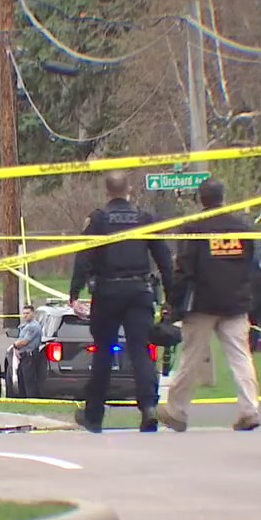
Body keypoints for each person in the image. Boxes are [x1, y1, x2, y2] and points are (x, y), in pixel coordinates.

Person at [69, 171, 175, 433]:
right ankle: (149, 407)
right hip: (139, 292)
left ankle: (94, 416)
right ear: (129, 190)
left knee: (104, 351)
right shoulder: (144, 218)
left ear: (107, 192)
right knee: (140, 350)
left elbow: (83, 257)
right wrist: (172, 298)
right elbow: (164, 259)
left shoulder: (98, 219)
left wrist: (74, 292)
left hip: (107, 293)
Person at [162, 178, 261, 433]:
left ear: (200, 200)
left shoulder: (194, 229)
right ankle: (249, 410)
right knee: (241, 357)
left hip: (202, 304)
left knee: (191, 358)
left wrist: (173, 303)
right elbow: (252, 265)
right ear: (223, 197)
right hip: (236, 302)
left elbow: (184, 269)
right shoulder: (241, 228)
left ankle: (177, 411)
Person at [10, 304, 44, 396]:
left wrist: (14, 345)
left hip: (30, 356)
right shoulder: (25, 325)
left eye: (28, 313)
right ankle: (24, 399)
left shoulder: (33, 326)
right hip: (24, 356)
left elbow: (25, 342)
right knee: (22, 379)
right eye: (24, 313)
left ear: (33, 314)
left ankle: (31, 399)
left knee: (29, 381)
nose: (25, 315)